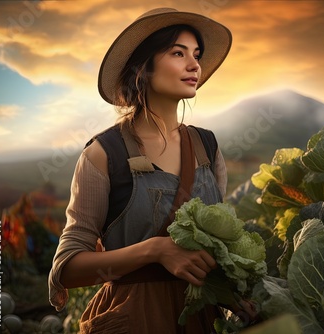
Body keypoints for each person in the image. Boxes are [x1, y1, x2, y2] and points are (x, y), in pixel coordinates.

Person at [48, 7, 250, 333]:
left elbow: (216, 248)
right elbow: (67, 269)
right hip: (134, 317)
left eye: (196, 55)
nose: (194, 64)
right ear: (144, 68)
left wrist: (235, 291)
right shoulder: (103, 154)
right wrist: (155, 251)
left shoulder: (207, 148)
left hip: (201, 316)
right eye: (177, 53)